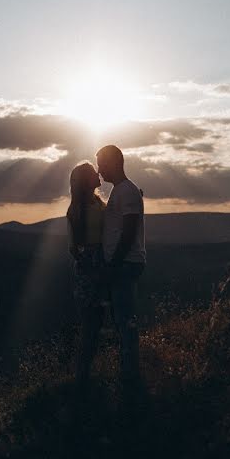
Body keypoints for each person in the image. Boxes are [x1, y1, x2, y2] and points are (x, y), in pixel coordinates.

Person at [95, 144, 146, 396]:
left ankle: (130, 376)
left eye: (101, 164)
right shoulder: (123, 191)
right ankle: (128, 371)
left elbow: (128, 231)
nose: (99, 170)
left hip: (125, 264)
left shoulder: (126, 191)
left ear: (114, 163)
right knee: (122, 318)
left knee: (125, 320)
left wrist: (113, 264)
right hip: (123, 263)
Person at [66, 162, 109, 388]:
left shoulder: (96, 204)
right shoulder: (80, 209)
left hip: (97, 267)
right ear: (86, 181)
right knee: (91, 326)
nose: (98, 174)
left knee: (96, 324)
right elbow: (74, 248)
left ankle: (85, 377)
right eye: (93, 173)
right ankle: (81, 378)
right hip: (92, 269)